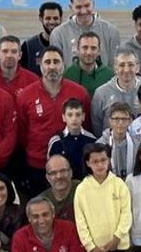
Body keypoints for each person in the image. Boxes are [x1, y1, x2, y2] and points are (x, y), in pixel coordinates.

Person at [16, 45, 90, 196]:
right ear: (40, 64)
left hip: (72, 164)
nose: (52, 66)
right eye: (47, 62)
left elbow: (86, 125)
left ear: (64, 64)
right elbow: (22, 131)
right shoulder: (25, 95)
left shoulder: (79, 93)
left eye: (56, 62)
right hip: (38, 165)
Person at [74, 143, 132, 252]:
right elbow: (80, 221)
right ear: (87, 163)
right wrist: (90, 246)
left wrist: (117, 237)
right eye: (95, 161)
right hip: (95, 248)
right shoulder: (82, 189)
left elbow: (126, 214)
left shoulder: (119, 184)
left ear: (109, 160)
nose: (100, 165)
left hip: (117, 245)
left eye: (103, 160)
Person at [50, 0, 121, 67]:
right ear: (71, 7)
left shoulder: (111, 31)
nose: (83, 11)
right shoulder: (58, 34)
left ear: (93, 4)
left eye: (87, 6)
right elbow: (57, 67)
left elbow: (115, 66)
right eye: (78, 7)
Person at [91, 48, 141, 136]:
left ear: (137, 68)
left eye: (130, 65)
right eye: (122, 65)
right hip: (109, 147)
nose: (126, 69)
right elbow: (96, 126)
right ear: (115, 68)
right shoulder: (101, 93)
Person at [47, 98, 98, 180]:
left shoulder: (92, 140)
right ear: (63, 117)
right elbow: (51, 168)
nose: (74, 119)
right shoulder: (56, 142)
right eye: (70, 115)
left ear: (83, 116)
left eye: (78, 114)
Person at [96, 102, 140, 180]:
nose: (120, 123)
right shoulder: (100, 144)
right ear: (110, 120)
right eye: (116, 119)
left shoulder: (137, 144)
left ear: (130, 121)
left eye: (124, 119)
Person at [0, 35, 40, 102]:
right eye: (5, 51)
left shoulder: (33, 81)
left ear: (20, 55)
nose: (9, 55)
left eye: (14, 51)